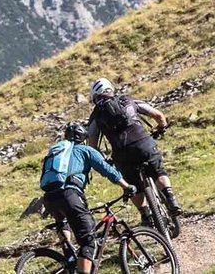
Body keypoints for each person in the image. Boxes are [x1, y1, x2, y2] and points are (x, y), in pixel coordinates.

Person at [39, 121, 136, 274]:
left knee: (63, 221)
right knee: (88, 241)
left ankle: (69, 257)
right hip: (70, 195)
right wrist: (126, 186)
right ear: (83, 137)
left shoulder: (58, 152)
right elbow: (107, 169)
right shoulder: (85, 150)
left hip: (49, 198)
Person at [87, 77, 182, 225]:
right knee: (158, 172)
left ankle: (145, 216)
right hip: (143, 143)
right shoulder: (128, 101)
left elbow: (92, 146)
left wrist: (104, 160)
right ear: (111, 90)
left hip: (122, 154)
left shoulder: (95, 116)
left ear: (95, 97)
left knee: (132, 185)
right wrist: (161, 127)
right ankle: (171, 199)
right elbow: (158, 115)